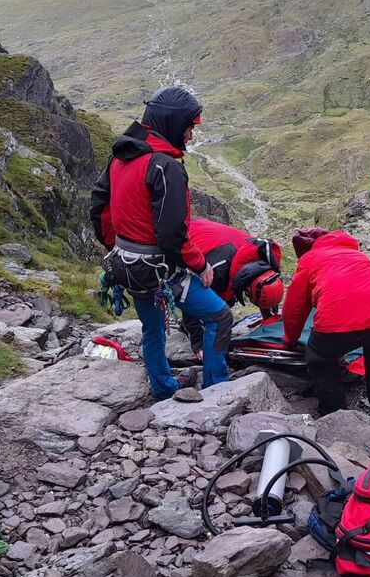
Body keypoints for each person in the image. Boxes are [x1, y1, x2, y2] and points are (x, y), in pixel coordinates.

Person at [89, 86, 231, 401]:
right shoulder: (165, 167)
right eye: (189, 127)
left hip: (125, 266)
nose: (191, 135)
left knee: (153, 331)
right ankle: (218, 391)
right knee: (219, 316)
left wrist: (119, 247)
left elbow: (100, 209)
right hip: (156, 269)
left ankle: (164, 390)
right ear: (172, 122)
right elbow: (172, 234)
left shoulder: (122, 156)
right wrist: (200, 264)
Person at [282, 227, 370, 418]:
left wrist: (291, 337)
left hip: (337, 321)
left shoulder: (310, 259)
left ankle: (335, 412)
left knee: (319, 358)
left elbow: (295, 306)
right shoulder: (358, 255)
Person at [178, 218, 284, 356]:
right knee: (213, 299)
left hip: (210, 236)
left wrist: (269, 319)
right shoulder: (217, 270)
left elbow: (262, 288)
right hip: (182, 235)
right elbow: (189, 296)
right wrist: (198, 344)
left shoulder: (262, 260)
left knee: (225, 298)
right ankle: (188, 328)